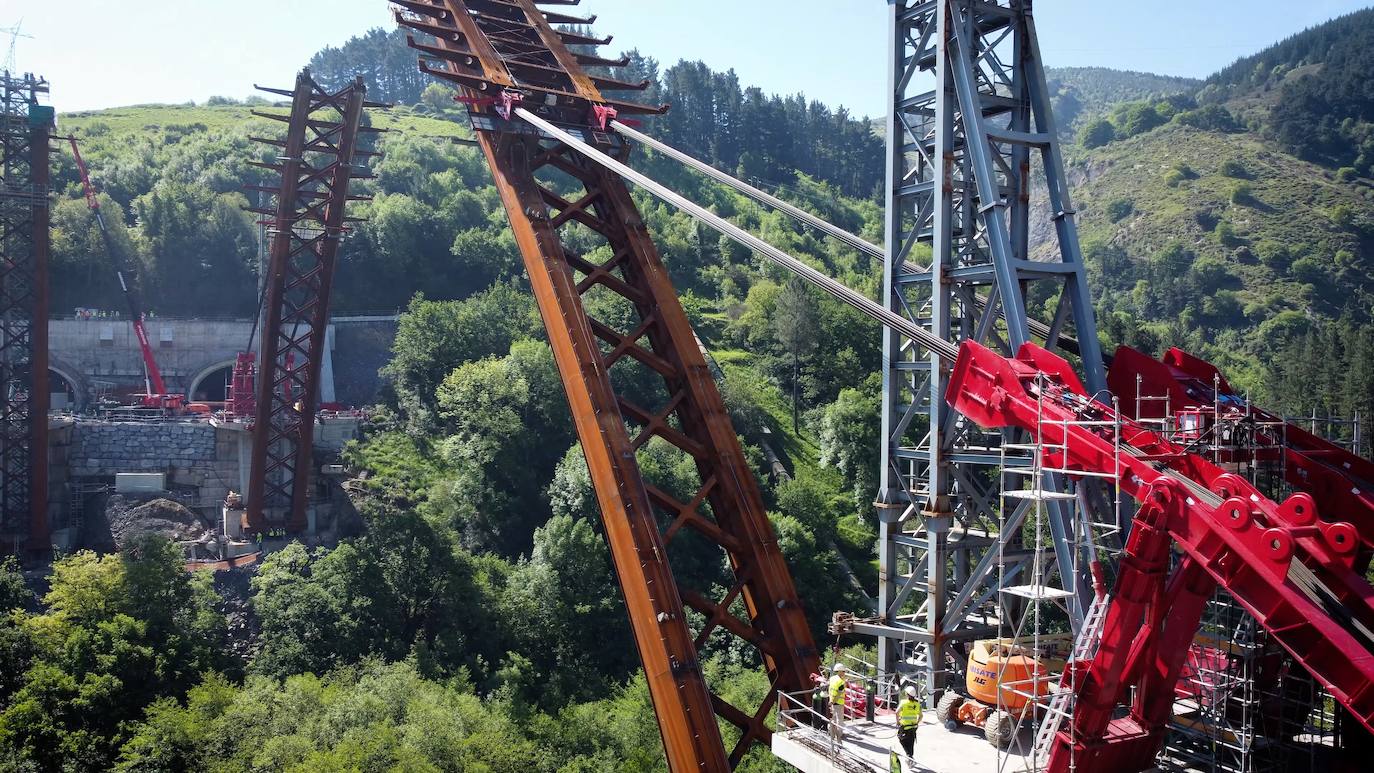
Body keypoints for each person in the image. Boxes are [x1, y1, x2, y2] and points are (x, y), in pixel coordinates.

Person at [896, 684, 922, 762]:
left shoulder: (903, 702)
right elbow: (921, 716)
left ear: (907, 694)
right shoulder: (917, 704)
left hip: (904, 726)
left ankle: (909, 756)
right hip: (913, 727)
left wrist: (898, 722)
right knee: (911, 743)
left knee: (901, 739)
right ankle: (910, 758)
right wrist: (917, 722)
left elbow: (897, 712)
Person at [828, 663, 850, 742]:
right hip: (838, 703)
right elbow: (839, 693)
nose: (844, 673)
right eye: (843, 671)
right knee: (839, 721)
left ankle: (831, 735)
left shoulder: (832, 678)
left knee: (833, 719)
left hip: (832, 701)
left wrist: (831, 701)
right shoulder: (841, 682)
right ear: (840, 671)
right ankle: (839, 737)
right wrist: (845, 683)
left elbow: (831, 689)